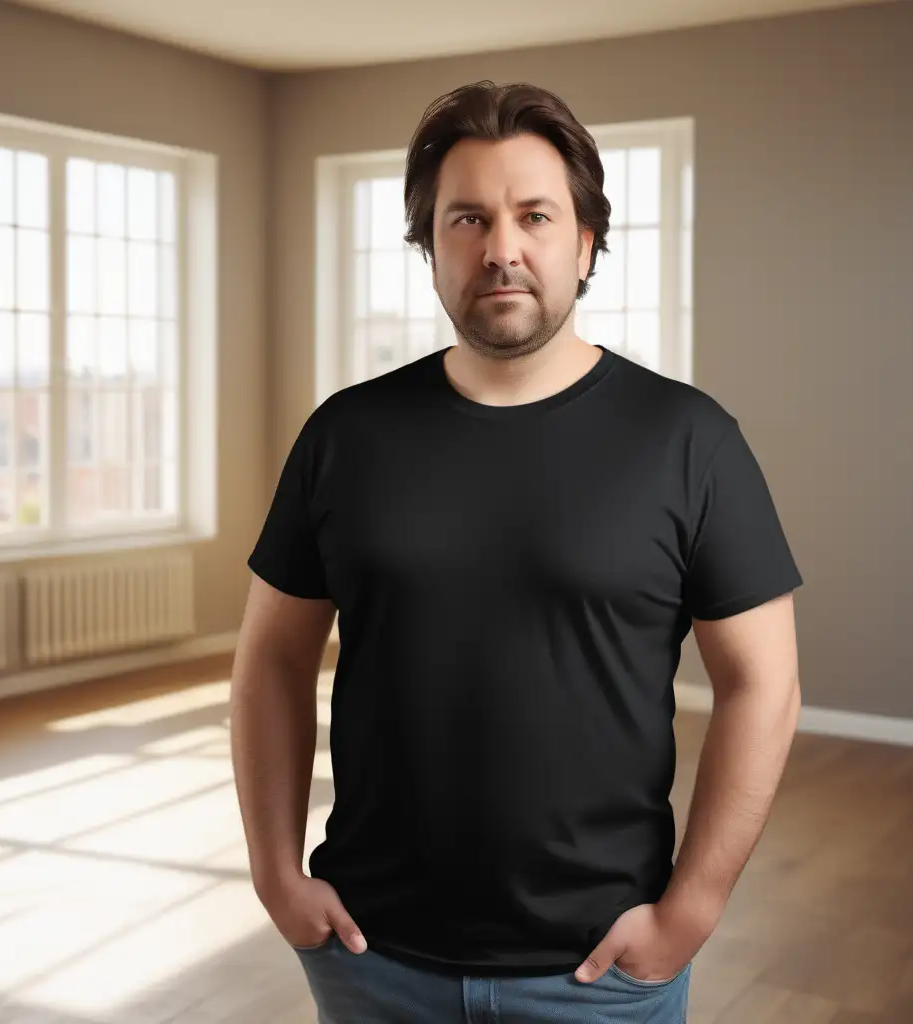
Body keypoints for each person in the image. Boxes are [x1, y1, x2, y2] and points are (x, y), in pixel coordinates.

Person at [230, 80, 803, 1023]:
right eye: (467, 219)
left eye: (535, 215)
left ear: (584, 244)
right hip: (369, 956)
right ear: (430, 249)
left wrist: (691, 909)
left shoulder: (689, 440)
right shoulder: (346, 435)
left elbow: (764, 684)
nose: (502, 248)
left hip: (602, 970)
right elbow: (271, 661)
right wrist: (273, 873)